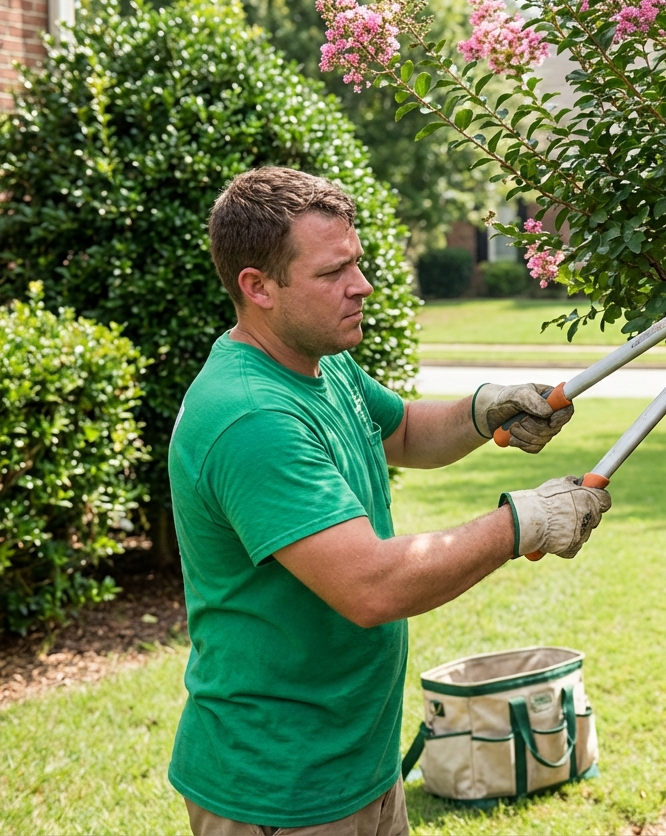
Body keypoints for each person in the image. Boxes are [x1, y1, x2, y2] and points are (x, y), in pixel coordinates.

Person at [167, 167, 611, 835]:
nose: (362, 285)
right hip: (280, 788)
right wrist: (525, 522)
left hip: (355, 763)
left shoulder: (318, 358)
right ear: (257, 287)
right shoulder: (252, 418)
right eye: (332, 273)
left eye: (358, 262)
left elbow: (400, 429)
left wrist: (483, 409)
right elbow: (370, 587)